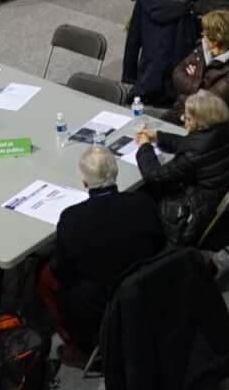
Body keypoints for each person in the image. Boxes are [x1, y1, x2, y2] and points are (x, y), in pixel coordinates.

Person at [45, 145, 166, 353]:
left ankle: (80, 346)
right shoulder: (143, 202)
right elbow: (159, 244)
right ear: (116, 173)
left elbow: (62, 270)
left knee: (45, 277)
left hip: (102, 300)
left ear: (84, 182)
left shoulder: (72, 219)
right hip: (146, 288)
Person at [136, 89, 229, 247]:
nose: (182, 119)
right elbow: (191, 144)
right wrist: (158, 137)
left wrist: (144, 147)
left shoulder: (194, 153)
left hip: (198, 214)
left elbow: (154, 175)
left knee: (144, 194)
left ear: (201, 123)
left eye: (187, 118)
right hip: (223, 201)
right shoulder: (225, 128)